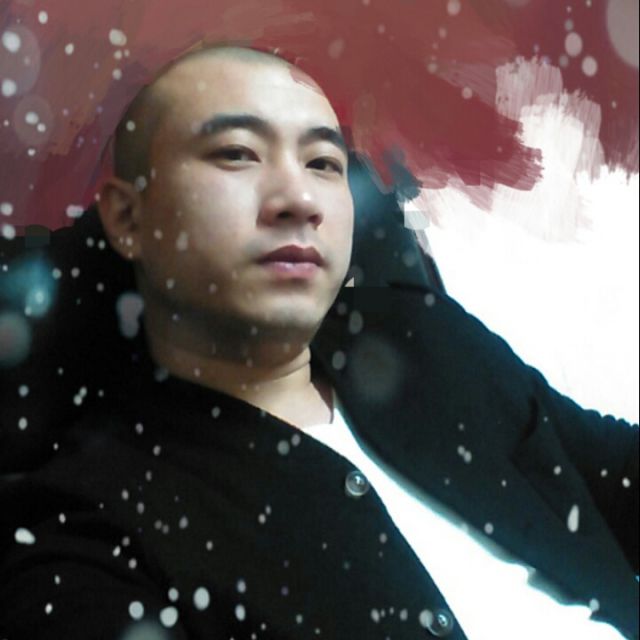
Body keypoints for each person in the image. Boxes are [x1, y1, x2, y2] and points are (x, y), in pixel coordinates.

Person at [0, 43, 637, 640]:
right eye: (237, 153)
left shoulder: (419, 337)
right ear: (127, 216)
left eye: (323, 164)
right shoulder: (94, 526)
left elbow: (602, 470)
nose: (299, 199)